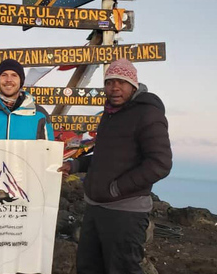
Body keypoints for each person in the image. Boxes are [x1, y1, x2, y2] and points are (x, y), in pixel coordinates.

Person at [58, 58, 172, 274]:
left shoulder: (148, 114)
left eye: (121, 81)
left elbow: (160, 163)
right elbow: (103, 157)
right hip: (95, 207)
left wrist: (117, 188)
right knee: (88, 267)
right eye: (110, 82)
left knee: (122, 269)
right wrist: (75, 165)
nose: (115, 87)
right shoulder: (110, 114)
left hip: (125, 213)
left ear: (133, 85)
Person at [0, 58, 54, 143]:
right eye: (4, 75)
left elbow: (50, 152)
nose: (8, 79)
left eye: (14, 75)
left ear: (21, 81)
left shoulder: (39, 115)